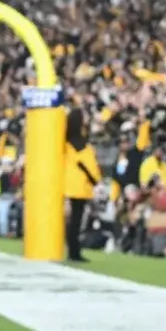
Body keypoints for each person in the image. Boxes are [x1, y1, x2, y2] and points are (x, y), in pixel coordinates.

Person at [64, 108, 100, 263]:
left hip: (66, 184)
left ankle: (72, 250)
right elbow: (91, 167)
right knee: (76, 222)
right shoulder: (83, 145)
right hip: (80, 186)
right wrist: (96, 180)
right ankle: (74, 252)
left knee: (71, 221)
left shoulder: (65, 142)